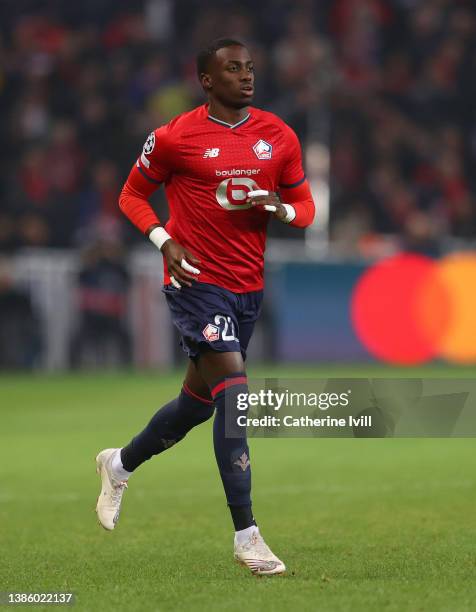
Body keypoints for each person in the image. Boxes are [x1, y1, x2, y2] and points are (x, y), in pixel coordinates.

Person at [95, 38, 315, 576]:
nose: (246, 76)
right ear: (207, 81)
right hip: (195, 284)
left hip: (246, 289)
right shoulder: (174, 137)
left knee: (197, 404)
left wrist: (280, 207)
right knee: (235, 395)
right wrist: (163, 240)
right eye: (232, 69)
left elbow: (306, 209)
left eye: (250, 67)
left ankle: (118, 464)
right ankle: (247, 534)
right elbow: (130, 195)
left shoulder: (278, 136)